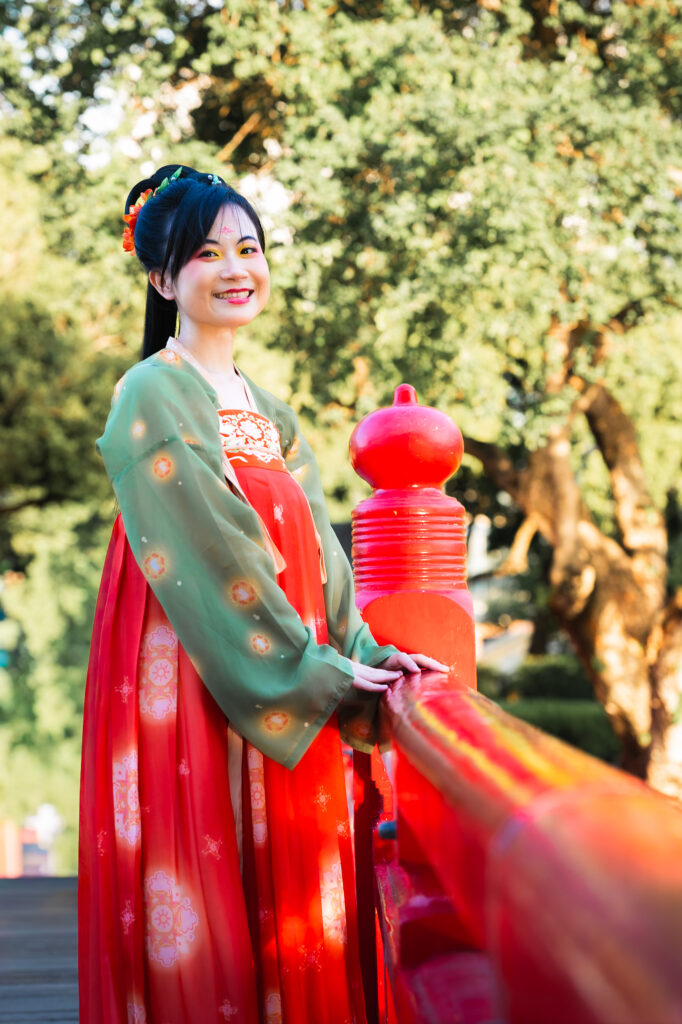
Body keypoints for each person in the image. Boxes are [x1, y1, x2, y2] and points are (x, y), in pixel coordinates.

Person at [78, 164, 445, 1024]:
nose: (236, 267)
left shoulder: (270, 412)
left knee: (288, 883)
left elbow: (321, 558)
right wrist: (311, 671)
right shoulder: (153, 391)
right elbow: (214, 552)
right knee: (201, 876)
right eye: (207, 253)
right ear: (162, 277)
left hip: (286, 658)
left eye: (249, 247)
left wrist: (367, 659)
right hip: (194, 672)